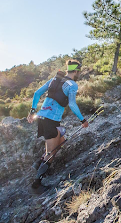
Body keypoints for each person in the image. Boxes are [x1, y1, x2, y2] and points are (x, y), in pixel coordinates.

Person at [27, 59, 89, 189]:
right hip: (50, 120)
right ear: (76, 71)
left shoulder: (54, 80)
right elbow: (72, 104)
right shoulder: (72, 85)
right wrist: (82, 120)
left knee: (61, 140)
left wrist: (32, 111)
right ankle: (37, 184)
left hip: (42, 117)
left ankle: (39, 163)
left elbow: (37, 93)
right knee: (51, 152)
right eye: (79, 71)